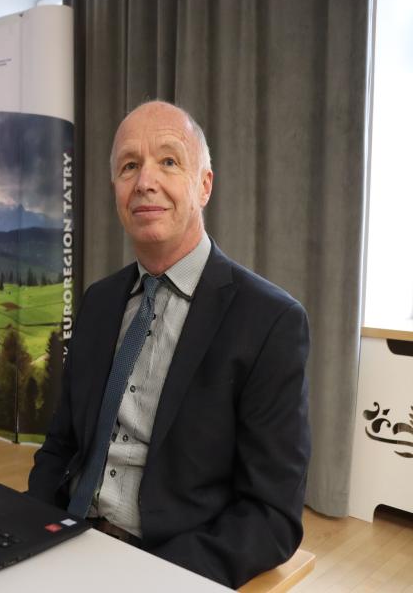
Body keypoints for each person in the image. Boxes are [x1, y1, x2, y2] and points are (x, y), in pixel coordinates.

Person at [27, 100, 311, 589]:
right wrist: (27, 527)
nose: (145, 181)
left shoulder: (271, 321)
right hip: (66, 539)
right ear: (116, 190)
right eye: (129, 166)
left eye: (169, 161)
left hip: (167, 561)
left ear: (204, 185)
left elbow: (271, 516)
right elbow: (61, 446)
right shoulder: (98, 302)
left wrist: (156, 579)